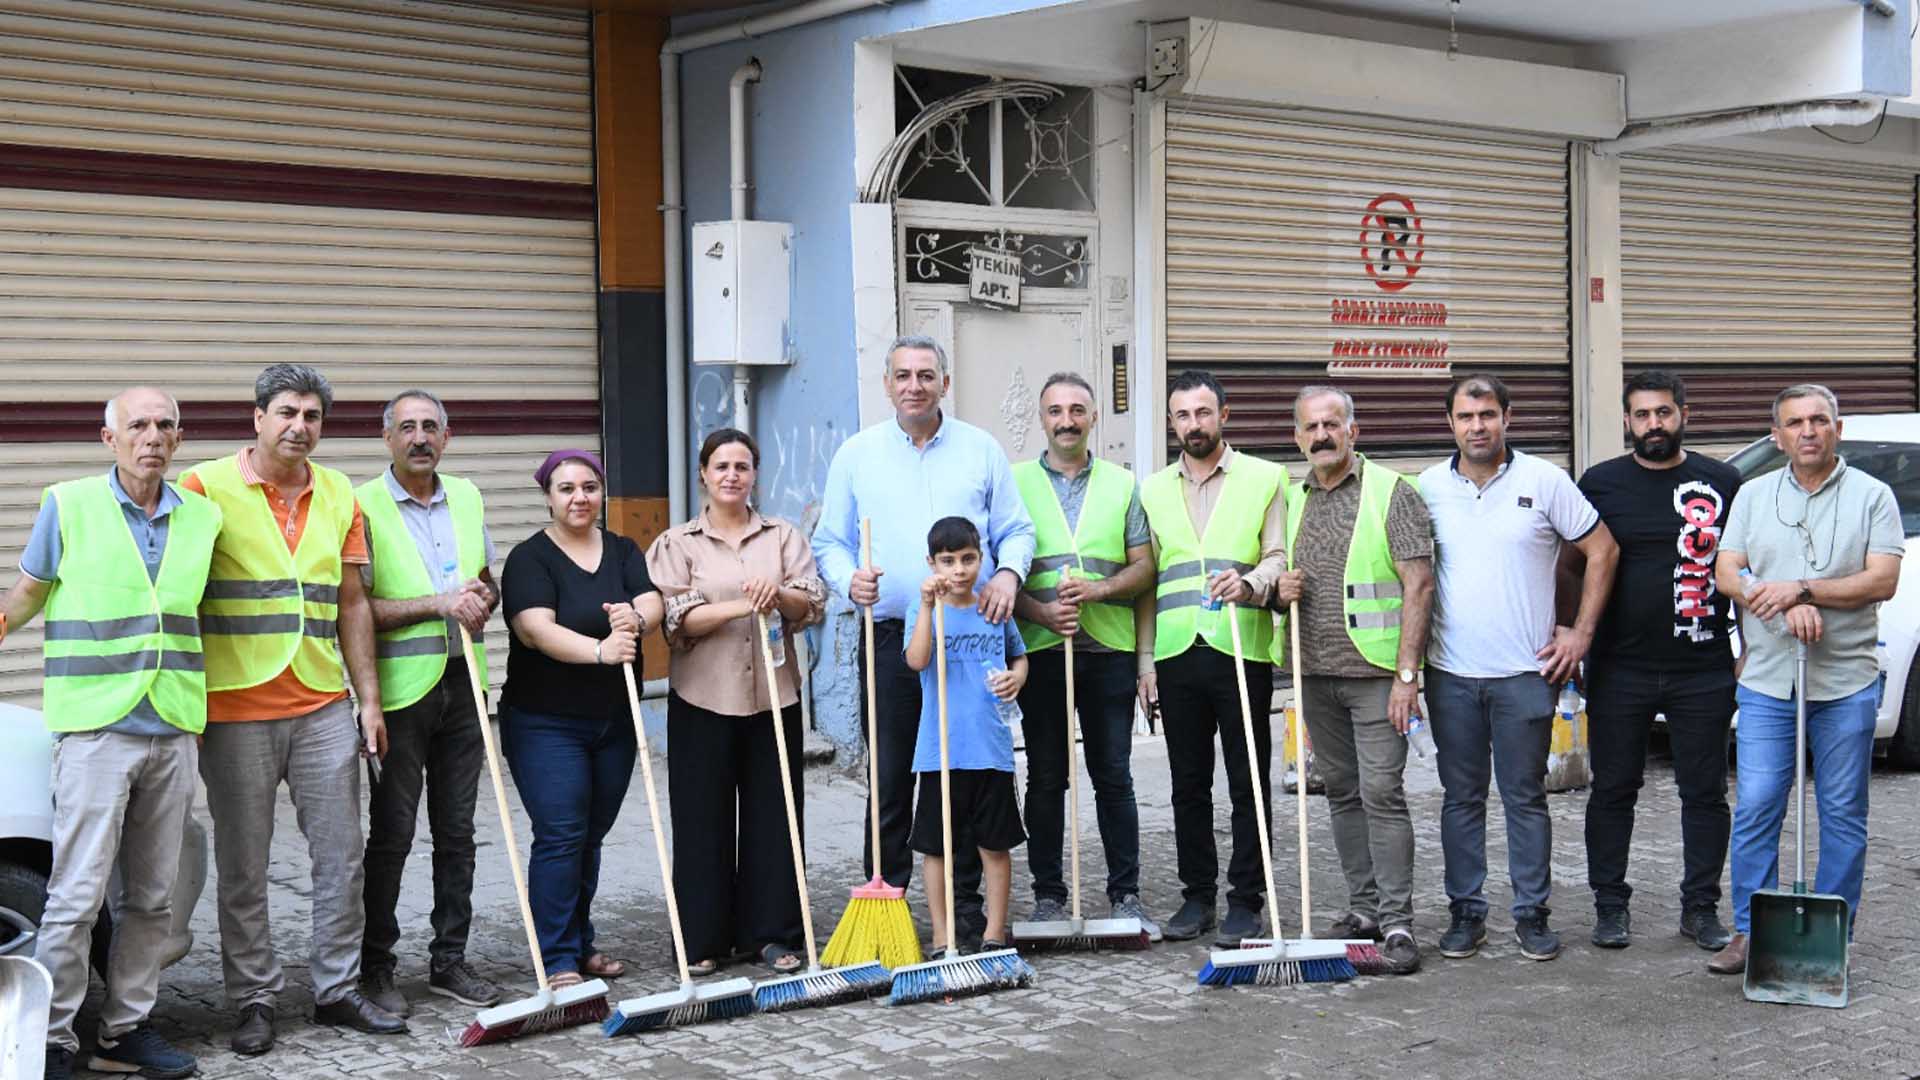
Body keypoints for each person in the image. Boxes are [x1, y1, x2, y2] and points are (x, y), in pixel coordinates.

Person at [181, 364, 404, 1053]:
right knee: (245, 865)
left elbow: (351, 604)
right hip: (235, 708)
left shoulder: (339, 492)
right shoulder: (203, 487)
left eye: (311, 416)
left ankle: (337, 989)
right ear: (256, 418)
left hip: (320, 705)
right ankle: (251, 999)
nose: (298, 426)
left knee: (341, 856)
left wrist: (367, 699)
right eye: (286, 412)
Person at [4, 389, 216, 1080]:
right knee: (74, 894)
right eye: (136, 426)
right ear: (108, 438)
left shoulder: (204, 518)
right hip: (97, 728)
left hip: (174, 725)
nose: (150, 437)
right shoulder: (67, 505)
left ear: (179, 439)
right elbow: (28, 597)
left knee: (151, 897)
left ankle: (124, 1031)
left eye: (163, 426)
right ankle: (55, 1040)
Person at [812, 334, 1035, 950]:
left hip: (969, 638)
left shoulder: (980, 449)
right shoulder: (858, 455)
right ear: (886, 385)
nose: (915, 385)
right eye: (903, 375)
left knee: (960, 772)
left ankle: (964, 915)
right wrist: (845, 578)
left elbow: (1016, 530)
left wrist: (1009, 576)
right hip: (892, 638)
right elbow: (829, 540)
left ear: (945, 382)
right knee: (889, 775)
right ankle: (885, 905)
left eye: (926, 374)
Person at [1418, 372, 1617, 963]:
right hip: (1450, 672)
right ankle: (1466, 913)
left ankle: (1532, 914)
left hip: (1527, 674)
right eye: (1465, 417)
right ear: (1450, 423)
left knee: (1524, 796)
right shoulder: (1426, 487)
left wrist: (1580, 633)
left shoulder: (1544, 480)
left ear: (1508, 417)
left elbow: (1602, 549)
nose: (1476, 426)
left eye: (1487, 415)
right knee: (1460, 797)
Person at [1709, 383, 1903, 976]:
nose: (1809, 432)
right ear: (1778, 436)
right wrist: (1773, 597)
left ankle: (1831, 931)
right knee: (1759, 804)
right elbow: (1725, 571)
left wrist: (1806, 589)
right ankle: (1749, 929)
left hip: (1845, 681)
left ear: (1836, 429)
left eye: (1820, 420)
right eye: (1795, 423)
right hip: (1768, 680)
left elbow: (1882, 581)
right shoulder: (1753, 494)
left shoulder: (1874, 496)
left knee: (1842, 811)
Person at [646, 428, 825, 976]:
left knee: (777, 817)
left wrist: (782, 597)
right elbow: (677, 620)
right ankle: (701, 939)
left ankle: (771, 934)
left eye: (742, 466)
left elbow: (811, 602)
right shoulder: (679, 543)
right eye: (721, 466)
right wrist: (744, 605)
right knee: (702, 818)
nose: (731, 475)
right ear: (704, 473)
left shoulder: (782, 536)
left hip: (776, 695)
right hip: (703, 696)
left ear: (754, 475)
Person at [1572, 370, 1740, 953]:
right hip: (1620, 667)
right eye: (1642, 415)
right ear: (1626, 420)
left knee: (1705, 792)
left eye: (1663, 413)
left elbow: (1743, 565)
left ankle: (1700, 908)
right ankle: (1610, 908)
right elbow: (1574, 564)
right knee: (1614, 790)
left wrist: (1743, 653)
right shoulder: (1599, 483)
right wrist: (1575, 635)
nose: (1653, 425)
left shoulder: (1722, 481)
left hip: (1704, 667)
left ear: (1683, 414)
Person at [1275, 385, 1434, 975]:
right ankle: (1363, 913)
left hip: (1377, 677)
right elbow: (1276, 575)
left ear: (1353, 431)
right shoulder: (1290, 500)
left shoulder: (1393, 493)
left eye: (1332, 424)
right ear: (1297, 437)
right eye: (1310, 427)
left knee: (1382, 794)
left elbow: (1418, 586)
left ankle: (1397, 923)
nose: (1321, 436)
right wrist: (1275, 591)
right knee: (1340, 793)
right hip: (1314, 676)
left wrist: (1407, 676)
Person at [354, 390, 503, 1016]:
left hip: (463, 683)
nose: (419, 438)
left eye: (431, 428)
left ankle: (449, 961)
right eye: (407, 427)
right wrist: (440, 603)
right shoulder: (360, 505)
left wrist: (481, 598)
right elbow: (356, 609)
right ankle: (376, 966)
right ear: (386, 438)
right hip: (399, 694)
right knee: (392, 834)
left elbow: (488, 581)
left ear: (447, 437)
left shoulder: (466, 495)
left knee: (459, 831)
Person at [1136, 369, 1295, 946]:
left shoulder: (1265, 478)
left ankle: (1246, 900)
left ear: (1223, 415)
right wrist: (1146, 663)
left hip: (1241, 647)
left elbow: (1279, 554)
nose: (1192, 424)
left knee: (1247, 781)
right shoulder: (1150, 489)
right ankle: (1196, 896)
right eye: (1182, 415)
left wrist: (1251, 583)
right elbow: (1150, 581)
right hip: (1177, 653)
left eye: (1203, 413)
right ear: (1171, 422)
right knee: (1187, 783)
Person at [499, 448, 663, 990]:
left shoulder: (621, 549)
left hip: (614, 720)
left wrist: (635, 617)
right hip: (546, 722)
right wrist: (601, 651)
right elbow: (533, 630)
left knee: (591, 834)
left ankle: (579, 939)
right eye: (567, 488)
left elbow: (652, 600)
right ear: (548, 496)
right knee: (562, 834)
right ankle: (557, 959)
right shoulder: (530, 559)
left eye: (589, 487)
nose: (579, 498)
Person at [1011, 372, 1159, 940]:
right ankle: (1049, 896)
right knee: (1046, 777)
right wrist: (1040, 612)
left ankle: (1125, 894)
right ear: (1042, 419)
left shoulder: (1123, 485)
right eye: (1055, 411)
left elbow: (1145, 567)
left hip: (1108, 651)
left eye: (1077, 410)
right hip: (1044, 650)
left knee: (1113, 775)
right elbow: (999, 570)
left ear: (1093, 417)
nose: (1067, 420)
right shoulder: (1017, 482)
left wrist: (1095, 592)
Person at [903, 516, 1029, 950]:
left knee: (995, 846)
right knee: (937, 848)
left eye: (969, 559)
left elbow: (1018, 656)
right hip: (940, 751)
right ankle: (942, 934)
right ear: (932, 563)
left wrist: (1018, 678)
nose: (959, 570)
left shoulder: (993, 609)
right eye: (948, 561)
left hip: (990, 749)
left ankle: (994, 932)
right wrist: (924, 607)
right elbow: (917, 660)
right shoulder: (924, 611)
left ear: (982, 558)